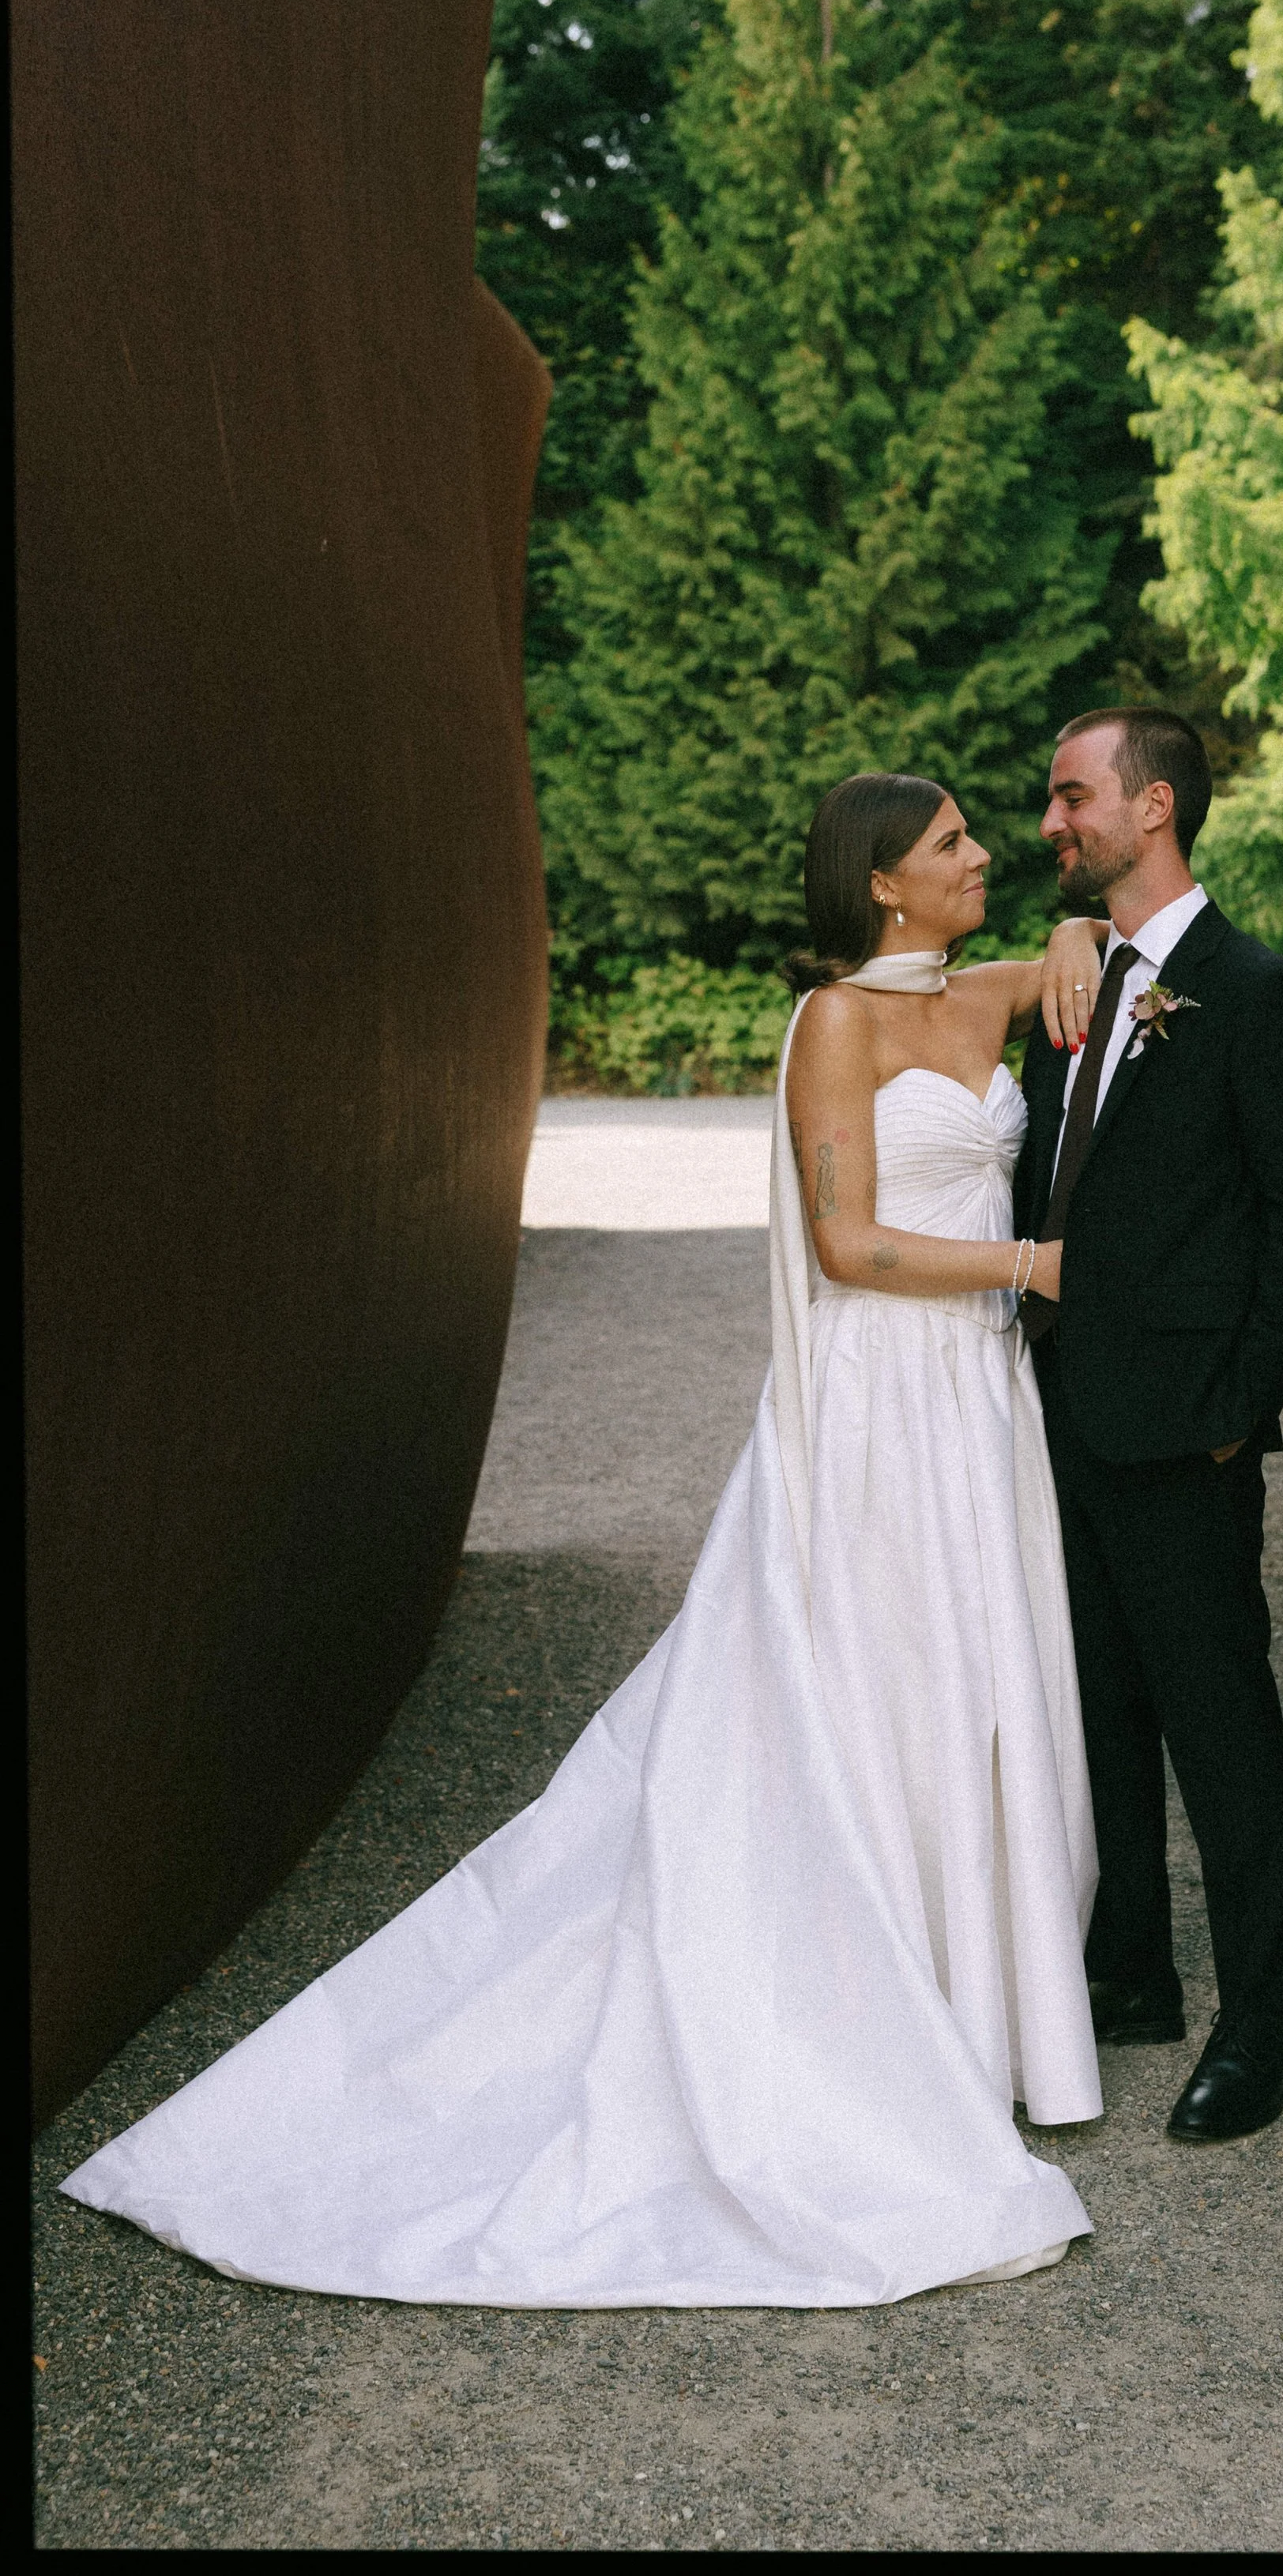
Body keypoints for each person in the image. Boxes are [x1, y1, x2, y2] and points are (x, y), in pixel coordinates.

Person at [61, 774, 1112, 2308]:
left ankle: (981, 2007)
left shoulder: (992, 992)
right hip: (886, 1398)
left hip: (976, 1402)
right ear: (882, 884)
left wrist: (1082, 923)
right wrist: (1030, 1260)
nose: (983, 859)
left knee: (979, 1674)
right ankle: (867, 2013)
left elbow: (1085, 942)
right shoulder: (835, 1029)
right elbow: (847, 1244)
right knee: (882, 1677)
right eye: (951, 843)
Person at [1014, 708, 1283, 2144]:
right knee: (1098, 1708)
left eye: (1069, 795)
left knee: (1221, 1721)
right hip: (1061, 1421)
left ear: (1153, 807)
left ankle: (1262, 2015)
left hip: (1185, 1431)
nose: (1050, 822)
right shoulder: (1075, 980)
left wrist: (1235, 1411)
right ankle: (1131, 1971)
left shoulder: (1259, 991)